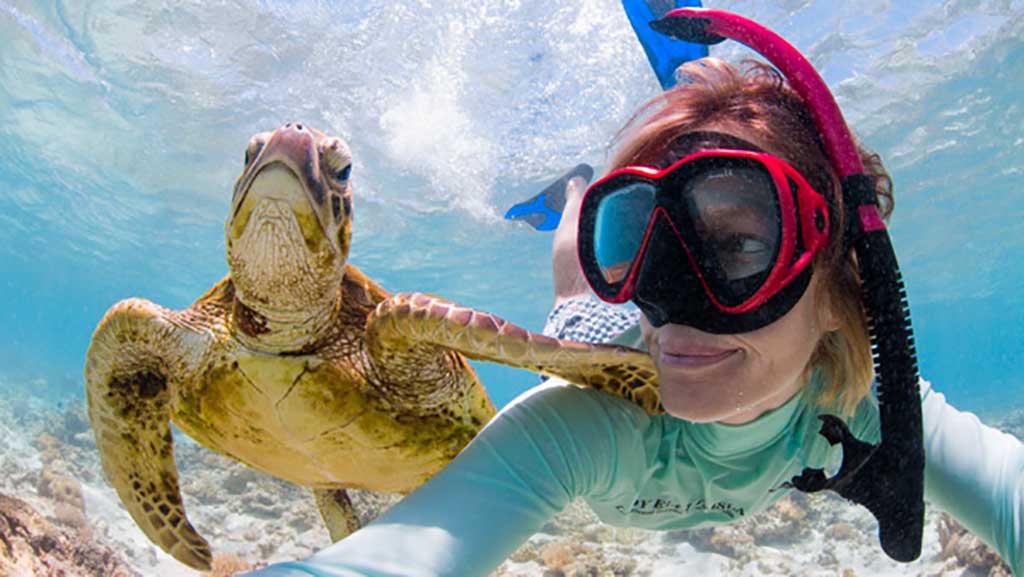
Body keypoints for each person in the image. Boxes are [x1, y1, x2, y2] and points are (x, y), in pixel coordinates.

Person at [243, 10, 1024, 577]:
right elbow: (405, 555)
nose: (671, 300)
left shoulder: (865, 396)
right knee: (575, 278)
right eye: (639, 237)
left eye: (742, 242)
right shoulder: (590, 419)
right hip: (596, 339)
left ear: (836, 288)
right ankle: (583, 195)